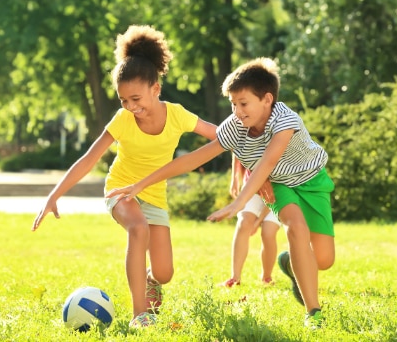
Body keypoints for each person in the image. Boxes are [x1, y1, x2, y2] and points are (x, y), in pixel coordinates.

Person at [107, 57, 335, 328]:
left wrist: (238, 203)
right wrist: (142, 183)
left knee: (324, 259)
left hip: (312, 182)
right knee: (295, 226)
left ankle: (291, 262)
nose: (236, 111)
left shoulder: (285, 120)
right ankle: (313, 313)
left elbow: (267, 161)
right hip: (279, 186)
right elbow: (193, 158)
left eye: (243, 103)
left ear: (267, 99)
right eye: (232, 104)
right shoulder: (236, 124)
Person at [31, 25, 217, 327]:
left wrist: (248, 147)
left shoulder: (178, 115)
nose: (131, 107)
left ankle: (150, 280)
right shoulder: (123, 120)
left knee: (164, 273)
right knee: (138, 229)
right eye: (123, 101)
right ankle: (139, 313)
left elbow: (218, 134)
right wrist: (54, 195)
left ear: (155, 89)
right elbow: (89, 158)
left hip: (155, 196)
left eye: (136, 99)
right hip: (120, 189)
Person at [220, 156, 281, 288]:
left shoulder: (279, 139)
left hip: (278, 191)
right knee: (243, 224)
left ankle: (266, 277)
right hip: (253, 189)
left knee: (268, 232)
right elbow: (237, 146)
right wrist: (235, 178)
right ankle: (234, 277)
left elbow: (272, 198)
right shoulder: (249, 135)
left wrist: (258, 221)